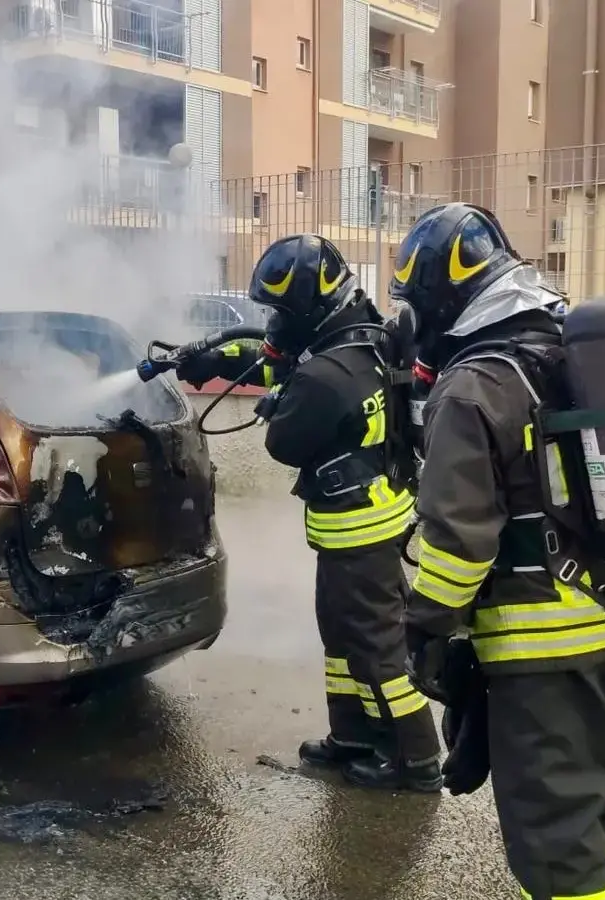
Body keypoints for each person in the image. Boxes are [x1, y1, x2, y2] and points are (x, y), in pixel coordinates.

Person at [390, 202, 605, 900]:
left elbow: (458, 545)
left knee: (555, 846)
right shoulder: (566, 350)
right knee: (597, 815)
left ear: (439, 301)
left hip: (548, 650)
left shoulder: (474, 386)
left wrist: (424, 627)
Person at [175, 233, 442, 793]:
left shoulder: (323, 376)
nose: (273, 323)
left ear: (310, 308)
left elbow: (285, 443)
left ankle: (415, 758)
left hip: (358, 529)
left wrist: (277, 403)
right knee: (342, 638)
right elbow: (278, 362)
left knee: (374, 647)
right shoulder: (363, 337)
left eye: (280, 312)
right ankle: (352, 735)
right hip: (372, 515)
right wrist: (218, 358)